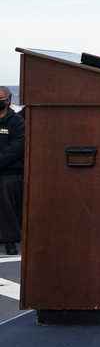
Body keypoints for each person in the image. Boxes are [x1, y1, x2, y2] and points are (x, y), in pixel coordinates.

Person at [0, 86, 25, 256]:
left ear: (8, 100)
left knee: (8, 207)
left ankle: (10, 241)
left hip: (9, 172)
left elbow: (18, 145)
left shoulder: (16, 121)